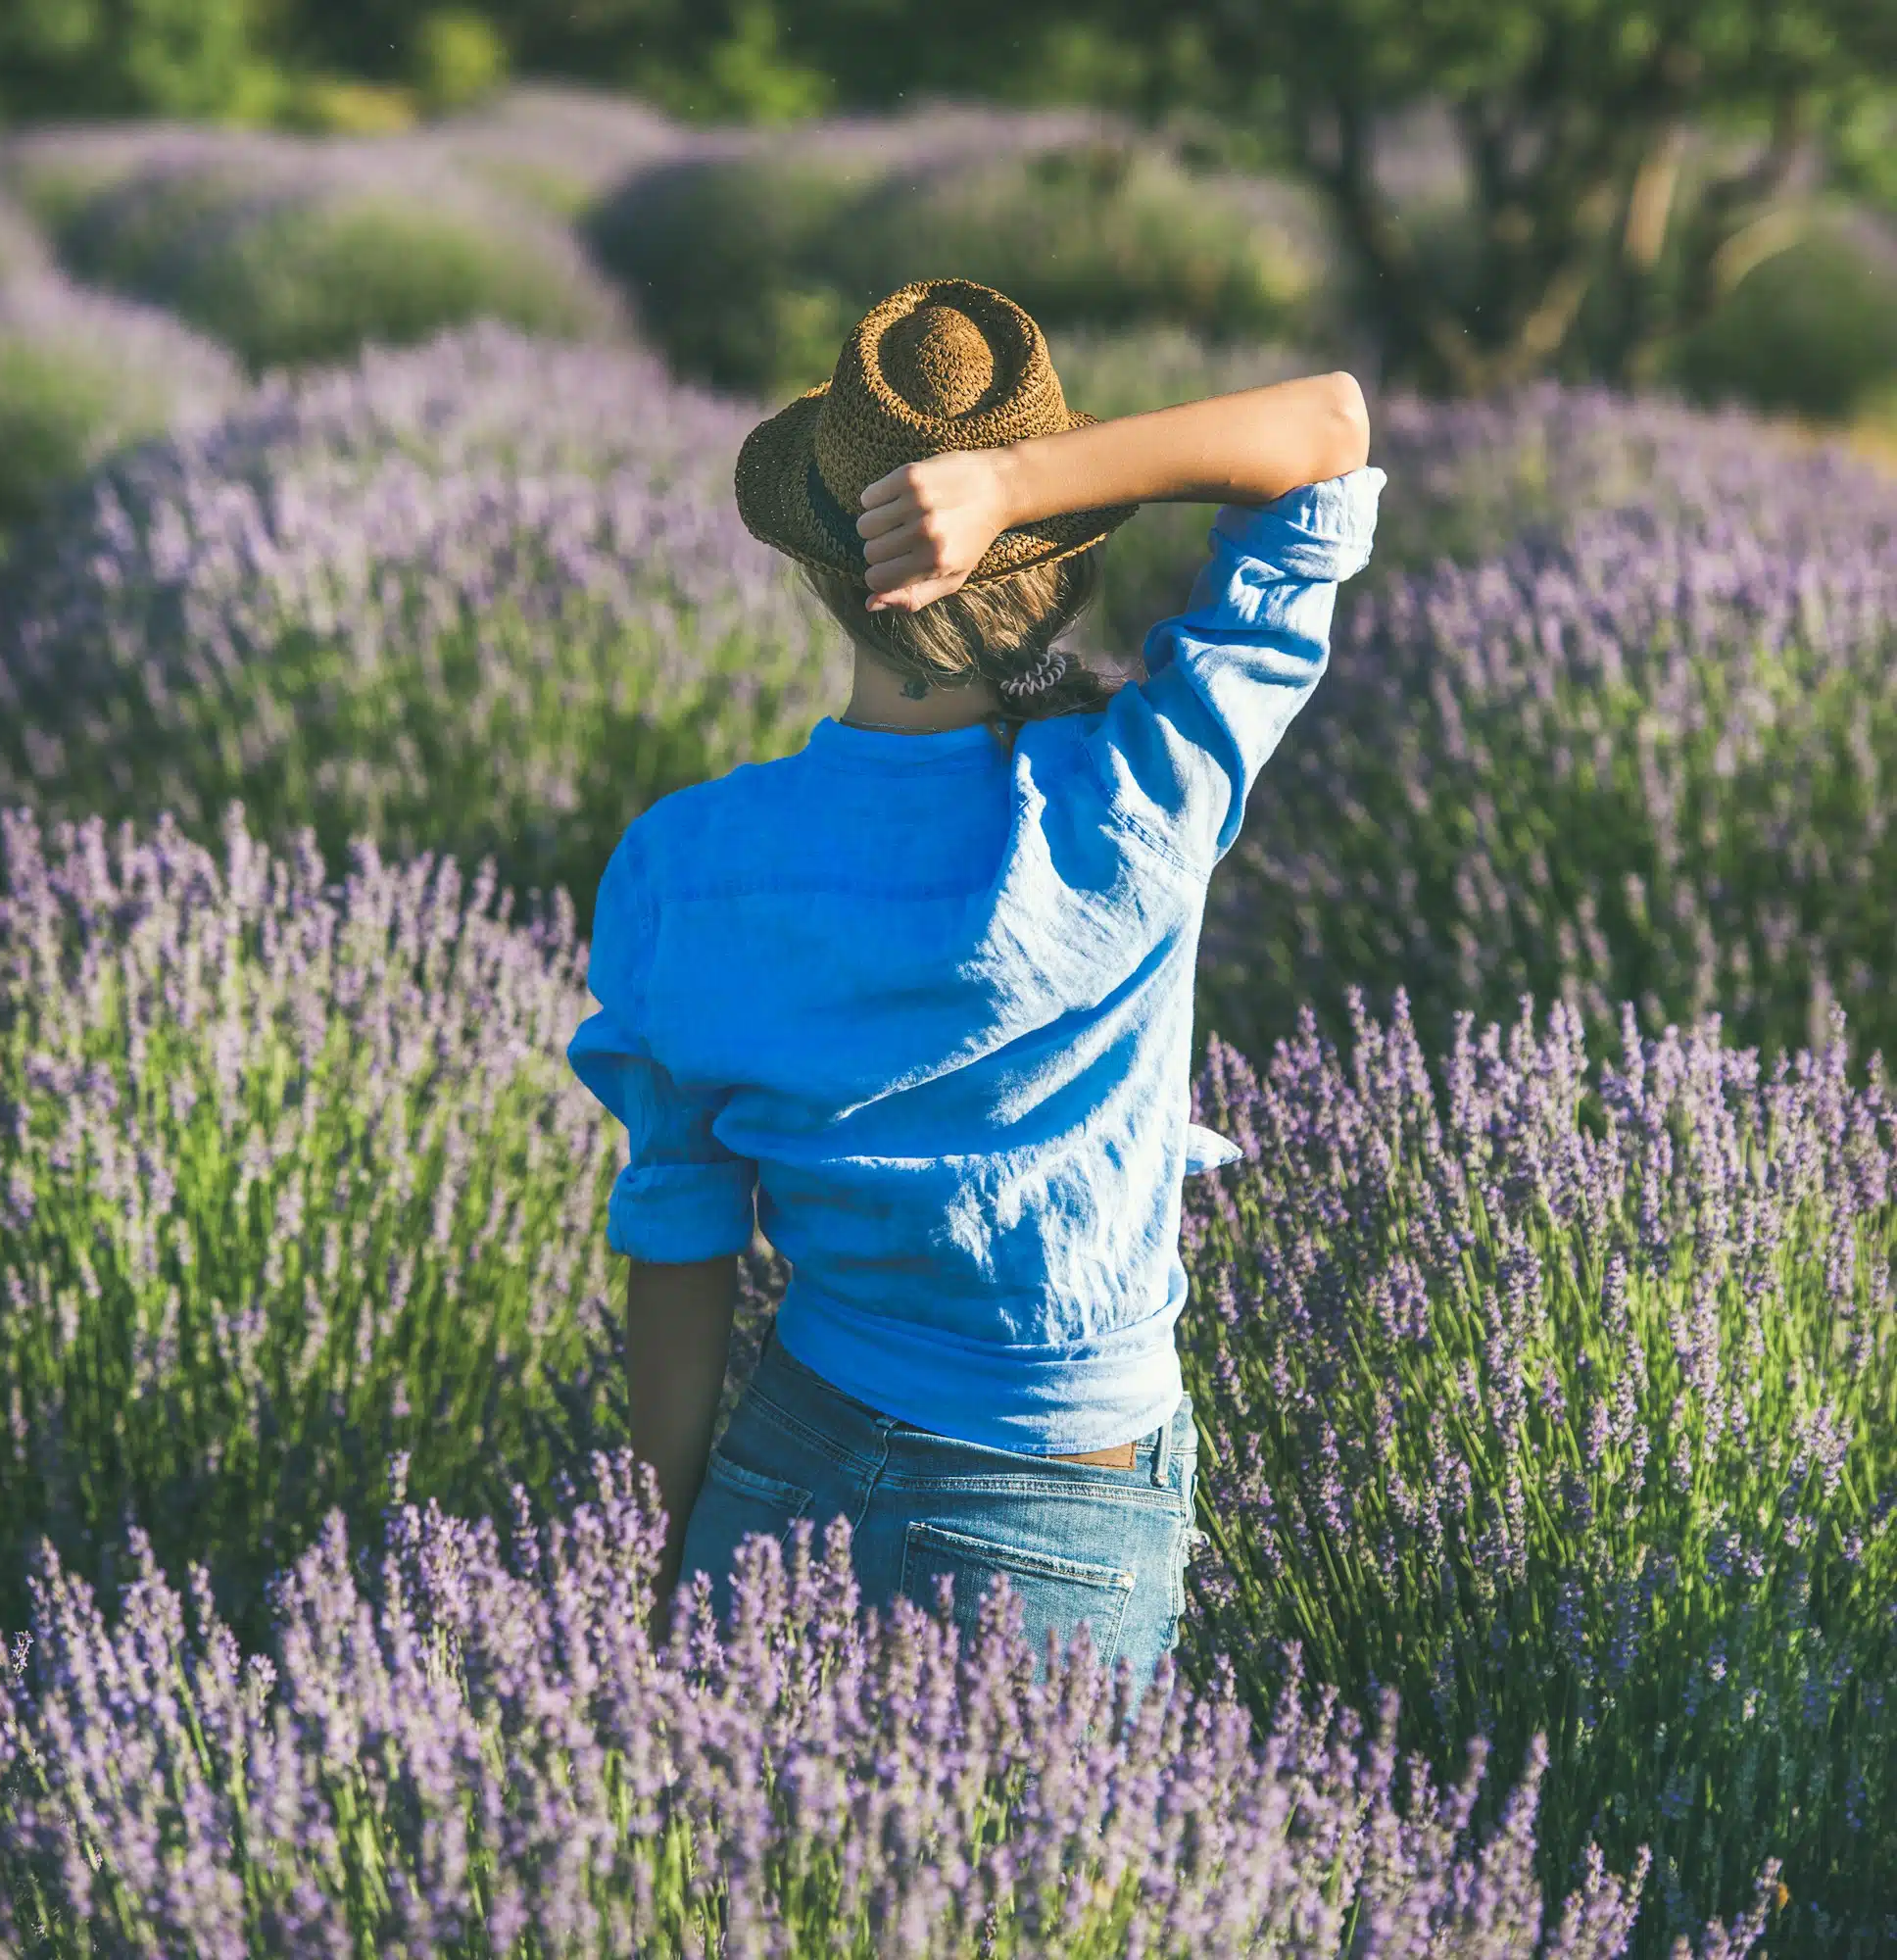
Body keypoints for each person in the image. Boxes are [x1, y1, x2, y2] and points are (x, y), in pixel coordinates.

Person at [567, 276, 1383, 1699]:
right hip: (1058, 1501)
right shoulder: (1139, 790)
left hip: (786, 1464)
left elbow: (680, 1242)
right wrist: (1023, 482)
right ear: (1062, 565)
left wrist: (648, 1567)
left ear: (824, 574)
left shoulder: (683, 861)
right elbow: (1326, 430)